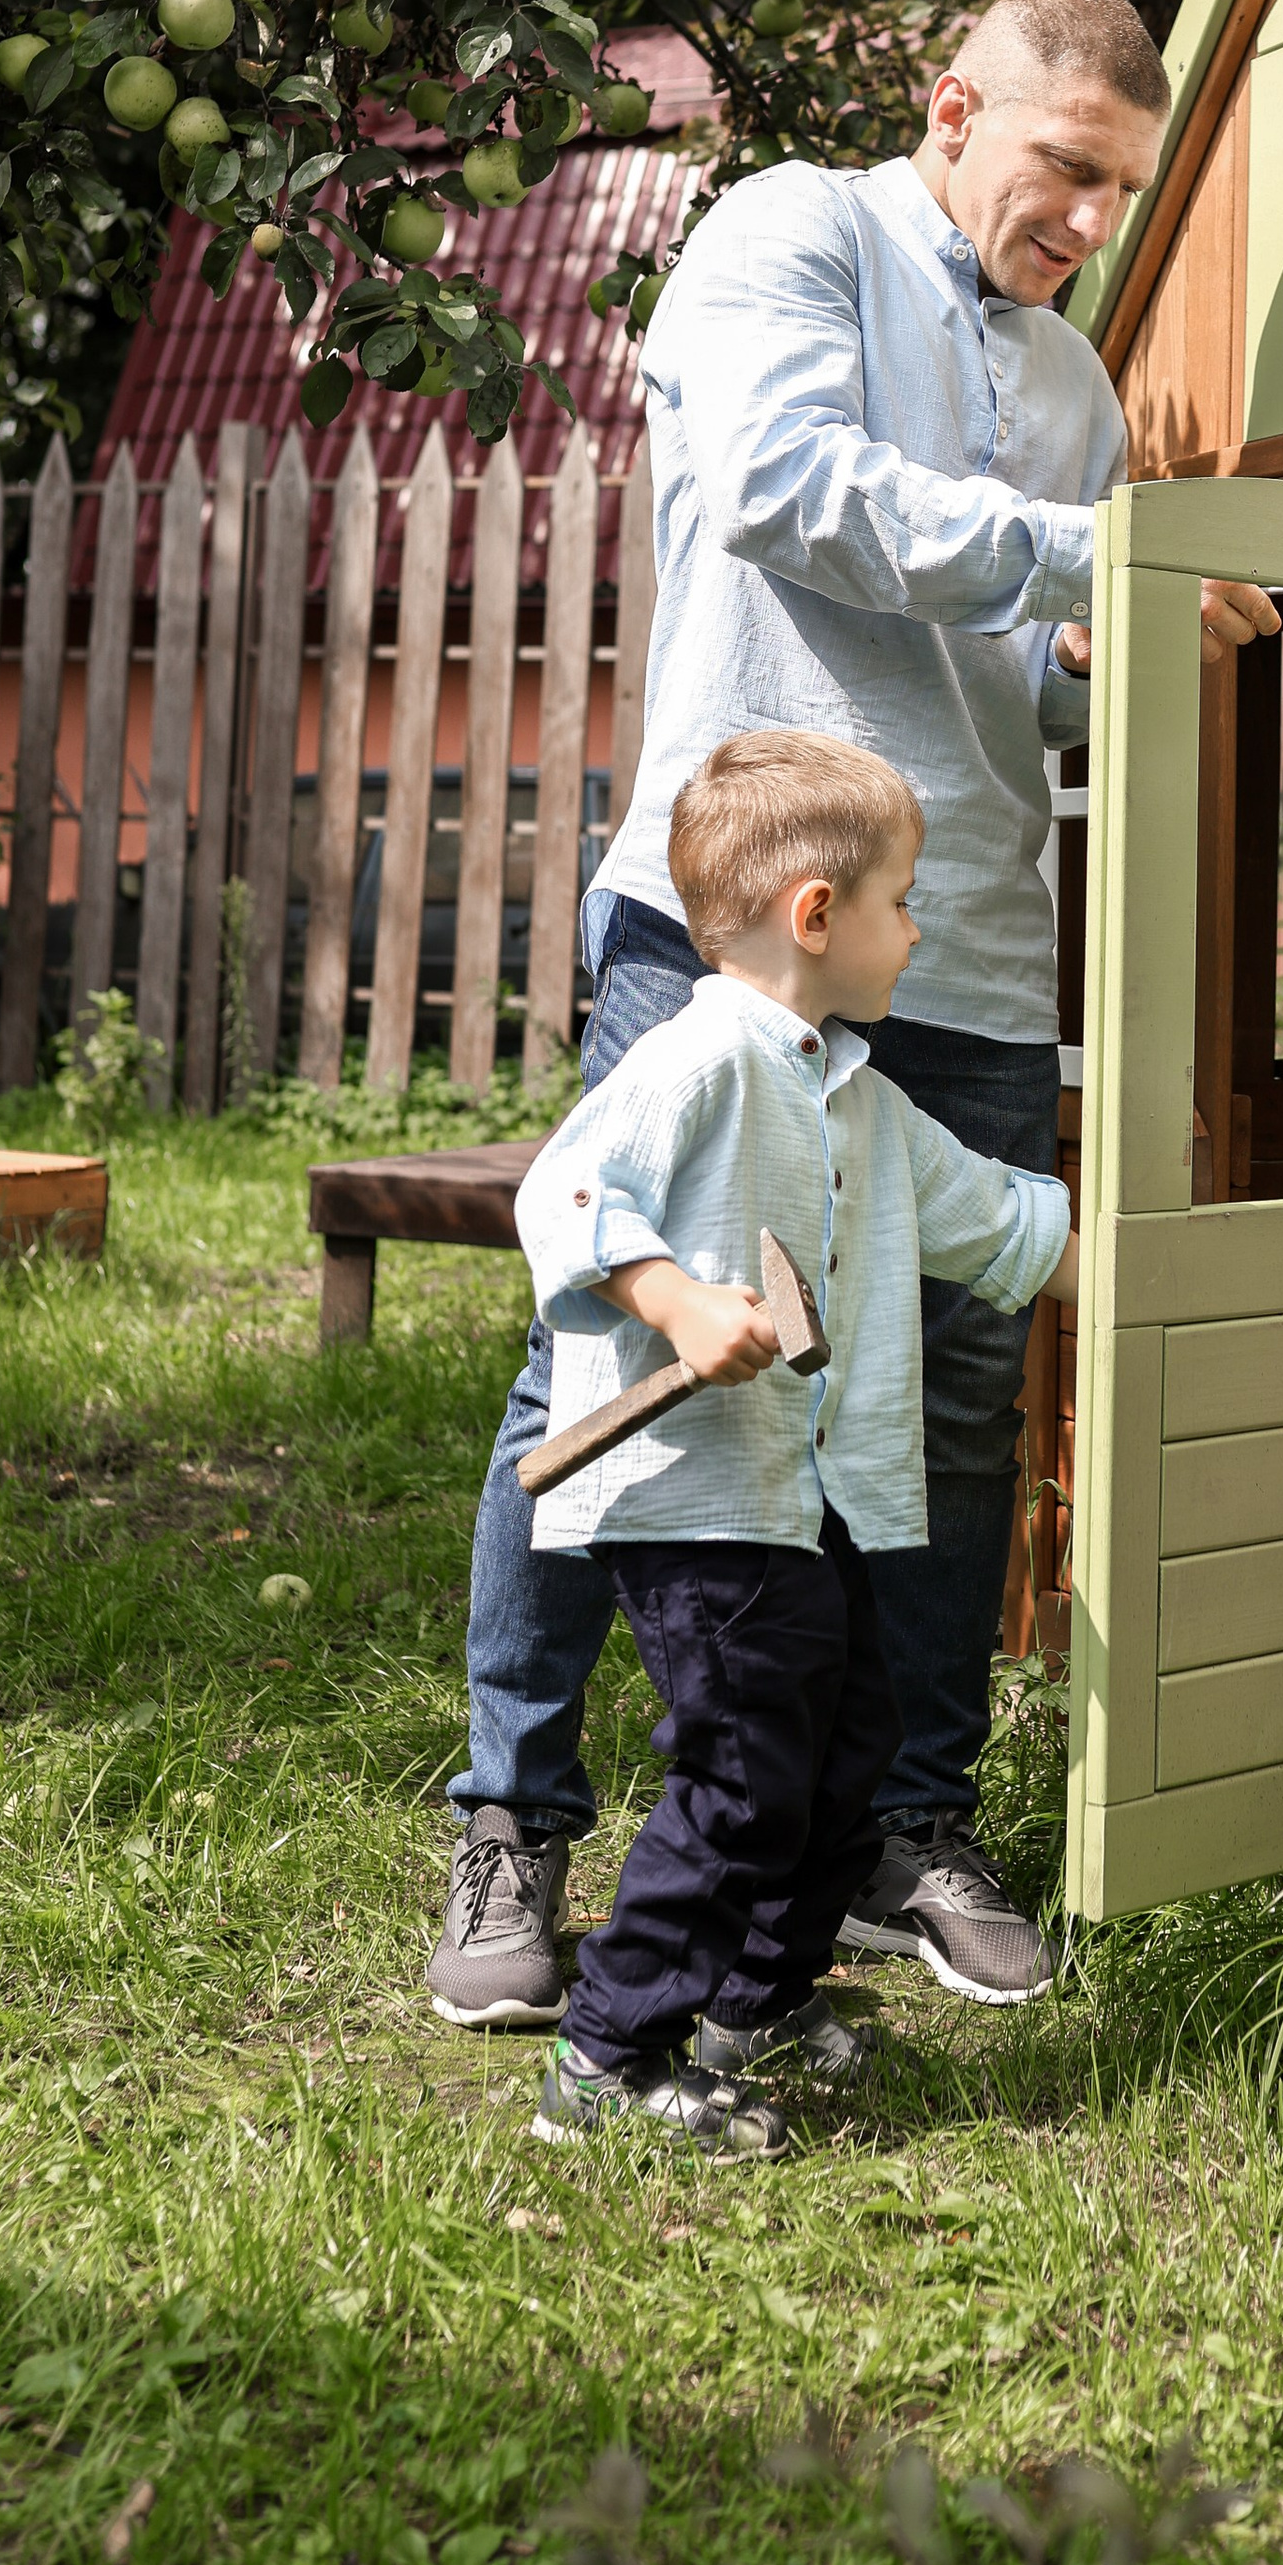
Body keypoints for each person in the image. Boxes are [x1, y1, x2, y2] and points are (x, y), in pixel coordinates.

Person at [429, 0, 1279, 2031]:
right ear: (953, 110)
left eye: (1122, 187)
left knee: (958, 1398)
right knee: (611, 1353)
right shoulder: (790, 232)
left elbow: (1003, 674)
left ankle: (909, 1827)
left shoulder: (1073, 388)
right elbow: (785, 488)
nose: (1090, 219)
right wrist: (1085, 561)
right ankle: (513, 1825)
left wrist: (1090, 653)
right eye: (1065, 168)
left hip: (963, 936)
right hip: (727, 924)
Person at [519, 729, 1075, 2155]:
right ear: (817, 914)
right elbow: (566, 1190)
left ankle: (754, 2005)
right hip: (703, 1504)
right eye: (904, 903)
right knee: (746, 1776)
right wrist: (675, 1298)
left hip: (812, 1504)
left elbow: (999, 1223)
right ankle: (608, 2056)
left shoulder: (861, 1099)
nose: (916, 932)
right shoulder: (698, 1058)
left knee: (844, 1761)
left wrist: (1175, 1250)